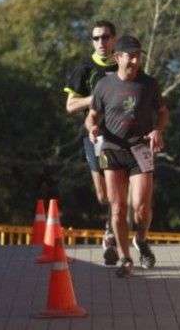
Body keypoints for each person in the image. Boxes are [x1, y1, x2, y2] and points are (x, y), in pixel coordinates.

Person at [85, 34, 169, 277]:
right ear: (117, 57)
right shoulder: (104, 85)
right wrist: (92, 127)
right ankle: (125, 258)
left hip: (140, 148)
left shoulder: (148, 84)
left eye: (137, 56)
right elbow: (92, 115)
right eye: (130, 56)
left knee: (141, 207)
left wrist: (157, 129)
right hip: (112, 148)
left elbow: (162, 112)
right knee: (118, 207)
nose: (134, 60)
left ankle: (141, 239)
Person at [63, 20, 120, 266]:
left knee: (118, 187)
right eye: (96, 38)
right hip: (94, 136)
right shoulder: (84, 69)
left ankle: (111, 234)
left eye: (105, 37)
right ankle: (110, 223)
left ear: (114, 39)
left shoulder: (123, 64)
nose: (101, 42)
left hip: (120, 136)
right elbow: (70, 106)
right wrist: (95, 98)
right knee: (102, 193)